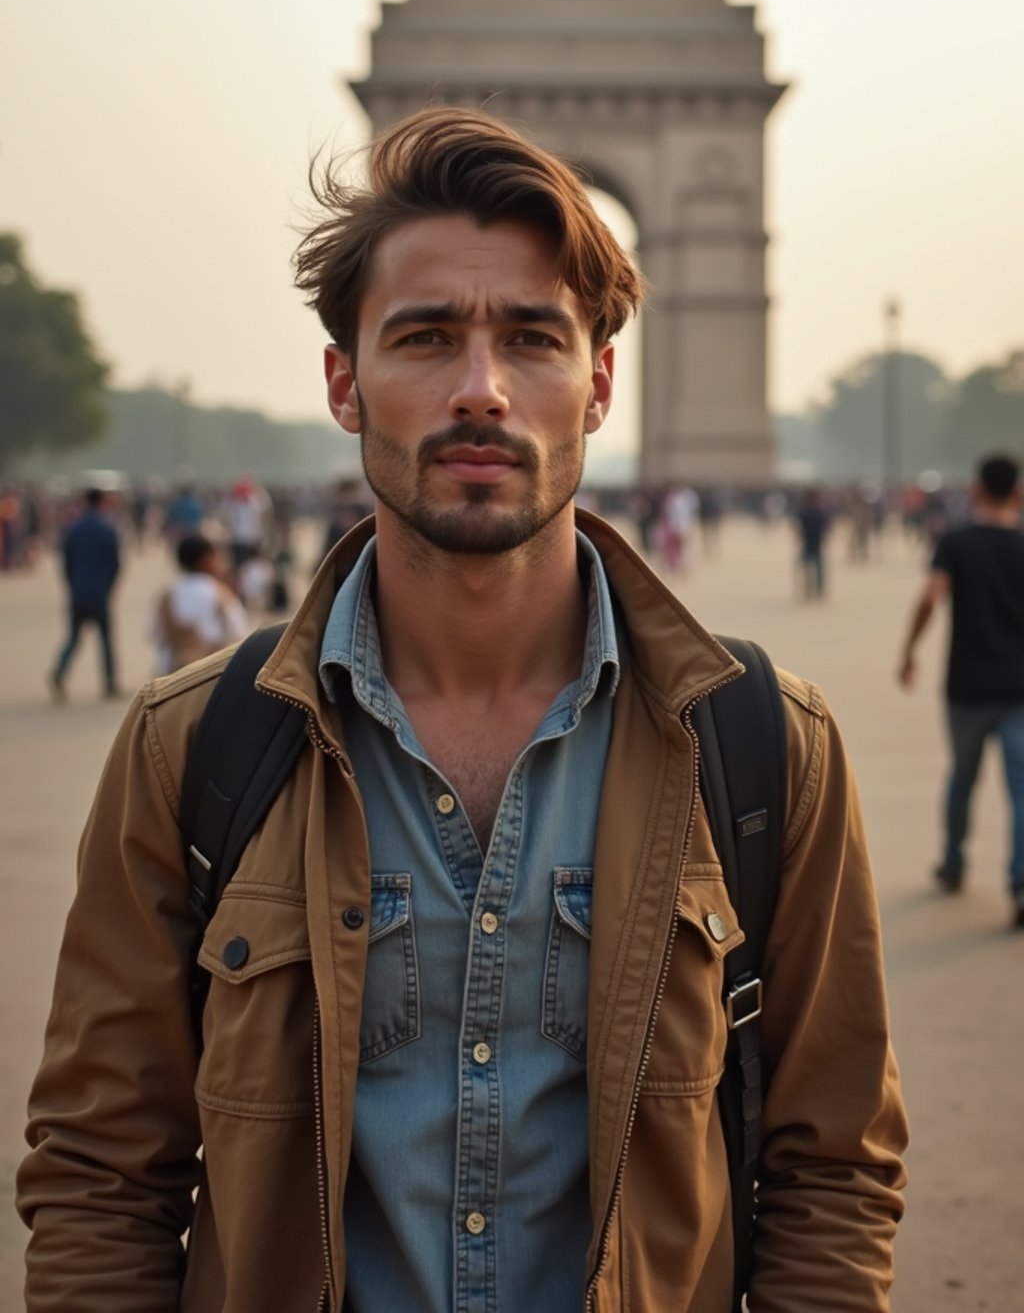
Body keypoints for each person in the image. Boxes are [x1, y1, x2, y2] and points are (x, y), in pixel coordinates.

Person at [19, 108, 907, 1311]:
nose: (481, 390)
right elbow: (102, 1177)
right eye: (426, 336)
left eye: (533, 339)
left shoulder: (765, 751)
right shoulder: (192, 750)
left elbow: (832, 1172)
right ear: (344, 381)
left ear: (597, 383)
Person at [898, 453, 1024, 924]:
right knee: (1021, 789)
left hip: (967, 686)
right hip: (1018, 688)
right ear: (1017, 493)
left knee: (962, 779)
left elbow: (932, 596)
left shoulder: (956, 543)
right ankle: (1020, 882)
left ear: (975, 491)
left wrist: (909, 650)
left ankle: (953, 862)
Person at [48, 487, 121, 700]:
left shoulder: (73, 528)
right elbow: (116, 565)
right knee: (106, 641)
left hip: (79, 592)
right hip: (100, 593)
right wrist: (108, 588)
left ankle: (59, 673)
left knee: (73, 638)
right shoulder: (108, 529)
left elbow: (66, 563)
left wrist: (73, 586)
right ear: (101, 502)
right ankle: (109, 683)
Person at [151, 533, 248, 675]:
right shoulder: (219, 593)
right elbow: (238, 632)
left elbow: (154, 633)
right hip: (213, 675)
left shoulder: (167, 594)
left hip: (175, 674)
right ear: (207, 560)